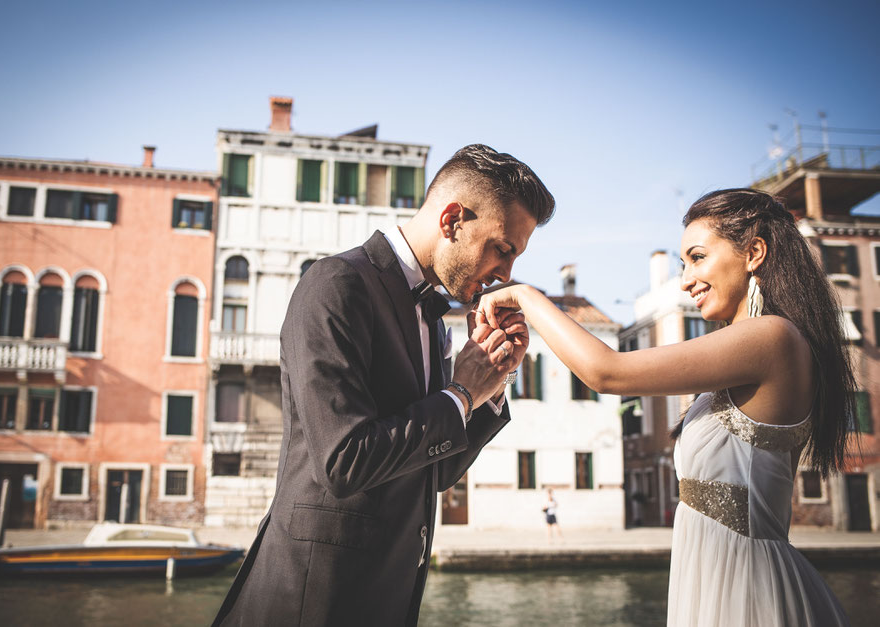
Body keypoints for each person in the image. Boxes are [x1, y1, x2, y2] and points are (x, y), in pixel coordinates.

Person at [212, 144, 555, 627]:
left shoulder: (435, 324)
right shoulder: (336, 283)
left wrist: (488, 388)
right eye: (503, 248)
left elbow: (431, 473)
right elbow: (344, 460)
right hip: (309, 603)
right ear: (453, 219)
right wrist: (459, 396)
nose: (506, 274)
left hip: (386, 601)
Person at [477, 189, 852, 626]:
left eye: (697, 258)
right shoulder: (753, 349)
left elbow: (608, 372)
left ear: (754, 252)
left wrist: (524, 296)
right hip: (714, 579)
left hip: (749, 591)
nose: (686, 280)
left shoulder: (772, 338)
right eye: (683, 264)